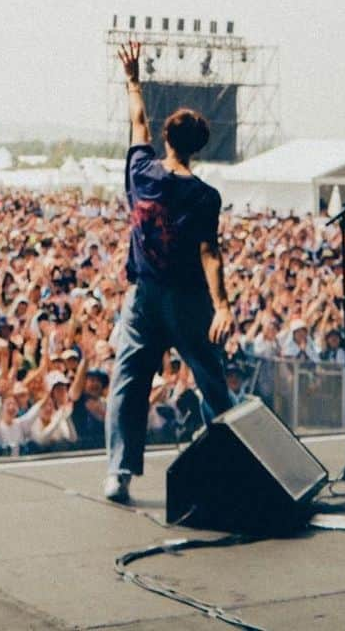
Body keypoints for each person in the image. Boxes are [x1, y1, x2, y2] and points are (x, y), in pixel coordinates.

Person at [103, 41, 233, 503]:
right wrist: (222, 306)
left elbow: (137, 120)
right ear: (199, 148)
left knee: (129, 381)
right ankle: (240, 460)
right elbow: (209, 253)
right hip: (188, 300)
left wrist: (133, 79)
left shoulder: (141, 170)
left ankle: (119, 472)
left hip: (143, 295)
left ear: (166, 138)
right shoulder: (204, 196)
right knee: (211, 380)